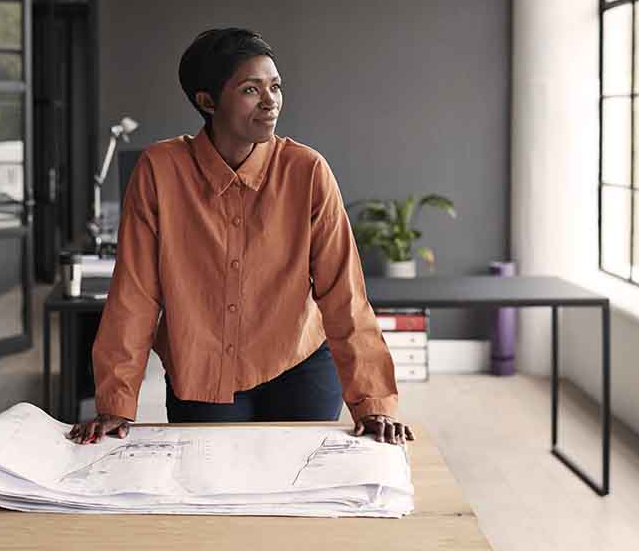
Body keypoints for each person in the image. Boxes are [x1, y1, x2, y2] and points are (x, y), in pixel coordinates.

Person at [67, 28, 411, 446]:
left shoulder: (307, 171)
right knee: (211, 495)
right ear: (207, 101)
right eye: (251, 89)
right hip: (201, 370)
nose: (271, 102)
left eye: (275, 87)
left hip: (299, 366)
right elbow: (135, 292)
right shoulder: (159, 171)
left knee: (296, 495)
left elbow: (345, 294)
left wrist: (373, 401)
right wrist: (115, 403)